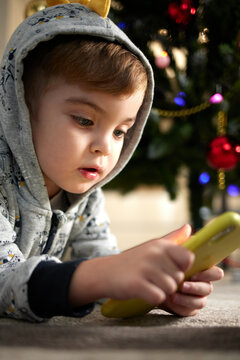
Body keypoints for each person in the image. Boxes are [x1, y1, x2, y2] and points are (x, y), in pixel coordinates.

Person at [0, 1, 223, 322]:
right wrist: (101, 275)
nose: (104, 147)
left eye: (121, 131)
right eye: (84, 121)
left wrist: (151, 284)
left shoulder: (86, 198)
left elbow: (101, 261)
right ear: (21, 111)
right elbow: (5, 279)